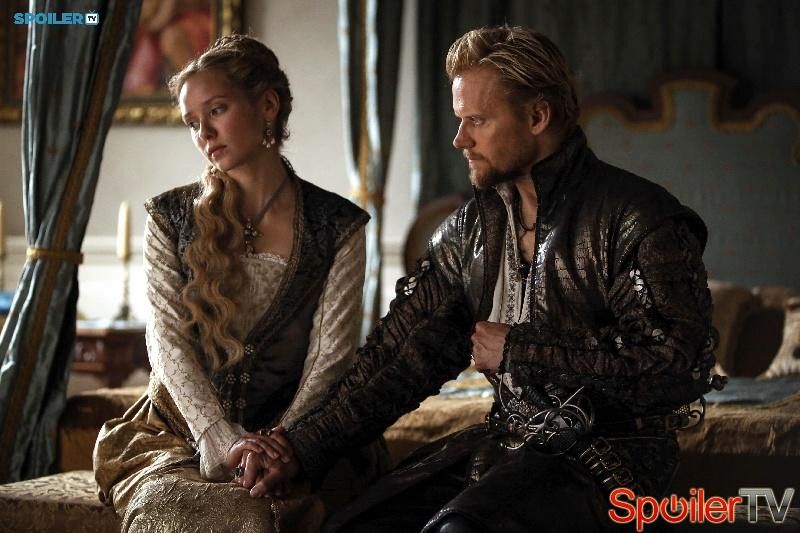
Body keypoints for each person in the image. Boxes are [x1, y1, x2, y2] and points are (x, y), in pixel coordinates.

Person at [238, 25, 726, 532]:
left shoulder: (640, 219)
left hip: (610, 465)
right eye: (458, 120)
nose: (460, 139)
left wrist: (520, 349)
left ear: (537, 117)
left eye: (477, 120)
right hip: (505, 447)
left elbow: (678, 367)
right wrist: (299, 448)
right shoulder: (469, 231)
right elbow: (396, 362)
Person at [93, 34, 388, 532]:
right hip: (180, 434)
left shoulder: (338, 225)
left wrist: (284, 445)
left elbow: (330, 357)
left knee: (273, 510)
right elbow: (167, 343)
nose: (204, 133)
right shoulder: (169, 217)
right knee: (203, 508)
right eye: (192, 122)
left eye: (217, 110)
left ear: (267, 106)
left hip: (299, 436)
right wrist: (221, 437)